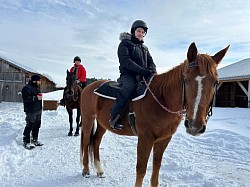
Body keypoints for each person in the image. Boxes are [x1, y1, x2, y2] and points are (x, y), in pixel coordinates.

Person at [109, 20, 157, 130]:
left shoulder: (144, 48)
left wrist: (152, 70)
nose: (141, 33)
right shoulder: (124, 44)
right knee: (129, 87)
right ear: (133, 31)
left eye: (143, 32)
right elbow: (126, 61)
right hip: (128, 74)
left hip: (143, 74)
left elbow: (151, 62)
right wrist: (142, 71)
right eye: (139, 31)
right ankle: (115, 117)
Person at [22, 74, 43, 149]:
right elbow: (26, 99)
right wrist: (36, 97)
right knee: (30, 125)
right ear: (34, 81)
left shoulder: (37, 87)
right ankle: (26, 142)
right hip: (31, 110)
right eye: (39, 80)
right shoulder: (26, 88)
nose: (40, 82)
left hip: (38, 109)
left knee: (37, 125)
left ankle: (35, 140)